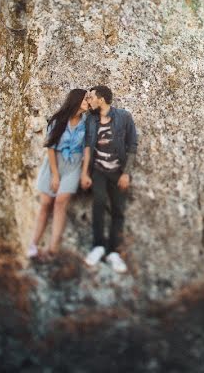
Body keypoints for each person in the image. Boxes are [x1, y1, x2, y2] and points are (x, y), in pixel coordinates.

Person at [27, 88, 91, 259]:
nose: (88, 102)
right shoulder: (58, 120)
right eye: (86, 99)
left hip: (74, 164)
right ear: (77, 101)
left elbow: (87, 148)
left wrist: (85, 172)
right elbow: (50, 148)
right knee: (46, 203)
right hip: (54, 163)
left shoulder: (87, 122)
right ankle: (32, 245)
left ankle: (53, 248)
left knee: (60, 202)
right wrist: (55, 175)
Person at [81, 85, 138, 273]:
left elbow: (132, 145)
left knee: (118, 210)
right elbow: (87, 146)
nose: (89, 101)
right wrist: (85, 173)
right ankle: (98, 246)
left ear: (102, 99)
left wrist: (126, 173)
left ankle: (113, 251)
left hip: (118, 171)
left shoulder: (124, 117)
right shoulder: (90, 119)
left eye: (91, 97)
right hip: (98, 170)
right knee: (98, 204)